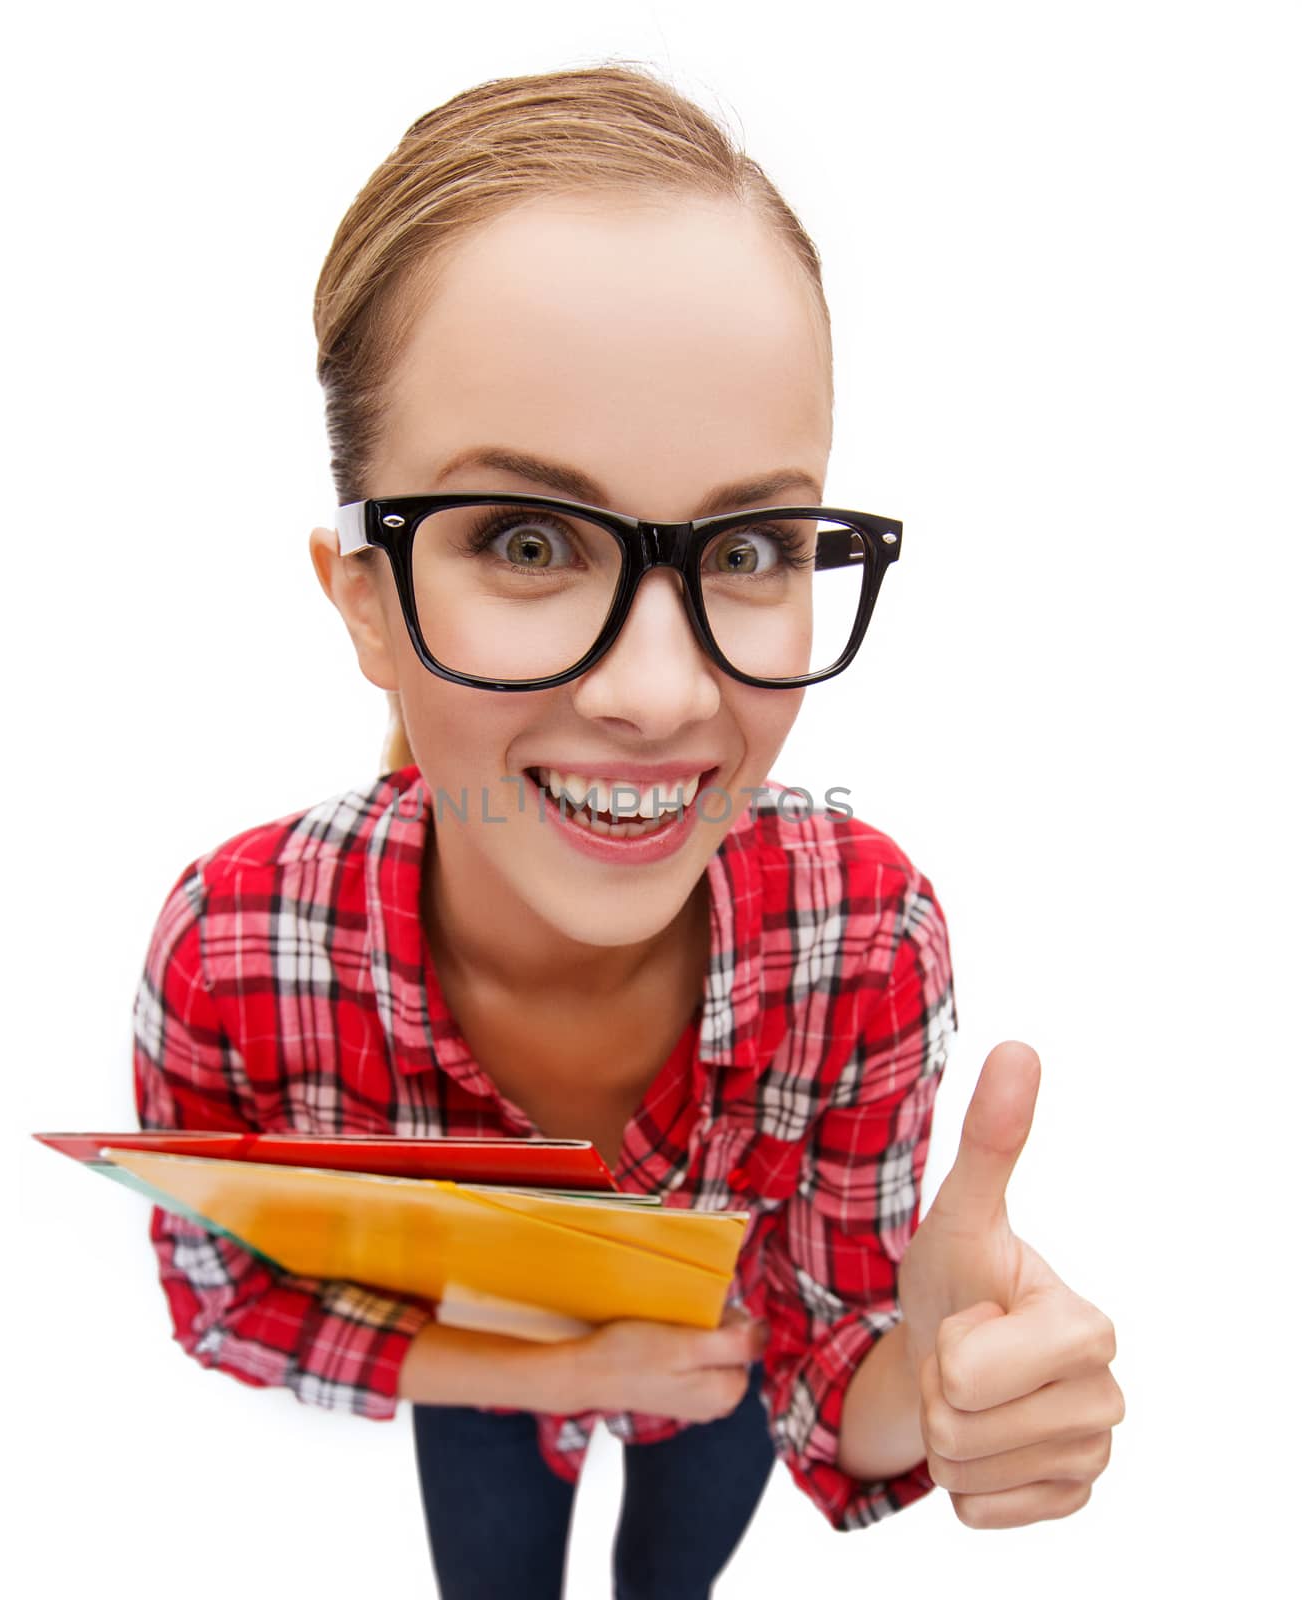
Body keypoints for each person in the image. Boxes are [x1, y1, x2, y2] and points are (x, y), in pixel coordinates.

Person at [132, 62, 1123, 1600]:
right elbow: (220, 1300)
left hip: (718, 1388)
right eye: (526, 540)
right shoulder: (240, 953)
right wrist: (532, 1371)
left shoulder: (861, 941)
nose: (664, 697)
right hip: (477, 1378)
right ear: (365, 603)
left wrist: (927, 1383)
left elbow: (826, 1369)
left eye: (750, 544)